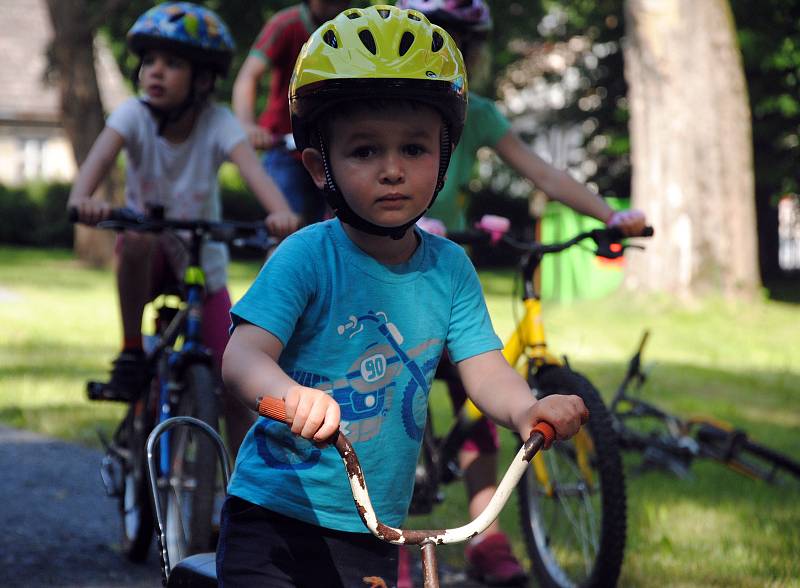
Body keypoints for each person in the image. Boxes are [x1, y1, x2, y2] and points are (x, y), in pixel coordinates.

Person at [216, 5, 589, 587]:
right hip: (274, 516)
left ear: (444, 155)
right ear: (320, 166)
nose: (392, 169)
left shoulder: (450, 269)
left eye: (414, 149)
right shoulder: (307, 255)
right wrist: (290, 396)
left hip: (374, 526)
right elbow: (241, 358)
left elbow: (484, 370)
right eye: (364, 151)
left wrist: (524, 409)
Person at [396, 1, 648, 584]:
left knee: (480, 396)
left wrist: (610, 214)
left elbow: (545, 174)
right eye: (437, 37)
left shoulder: (475, 112)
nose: (448, 50)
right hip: (392, 273)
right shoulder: (388, 106)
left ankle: (487, 536)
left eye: (459, 40)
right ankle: (394, 546)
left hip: (445, 269)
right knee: (394, 405)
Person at [68, 2, 300, 457]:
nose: (155, 71)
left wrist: (281, 215)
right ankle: (132, 349)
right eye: (149, 61)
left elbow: (267, 190)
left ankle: (240, 501)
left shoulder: (217, 122)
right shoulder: (131, 116)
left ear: (203, 79)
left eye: (172, 63)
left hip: (201, 263)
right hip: (147, 257)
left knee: (235, 383)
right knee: (135, 235)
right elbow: (82, 189)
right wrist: (88, 203)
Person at [232, 0, 351, 225]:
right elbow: (249, 76)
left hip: (330, 150)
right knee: (286, 225)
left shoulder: (352, 31)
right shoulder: (287, 24)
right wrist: (247, 125)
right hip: (285, 149)